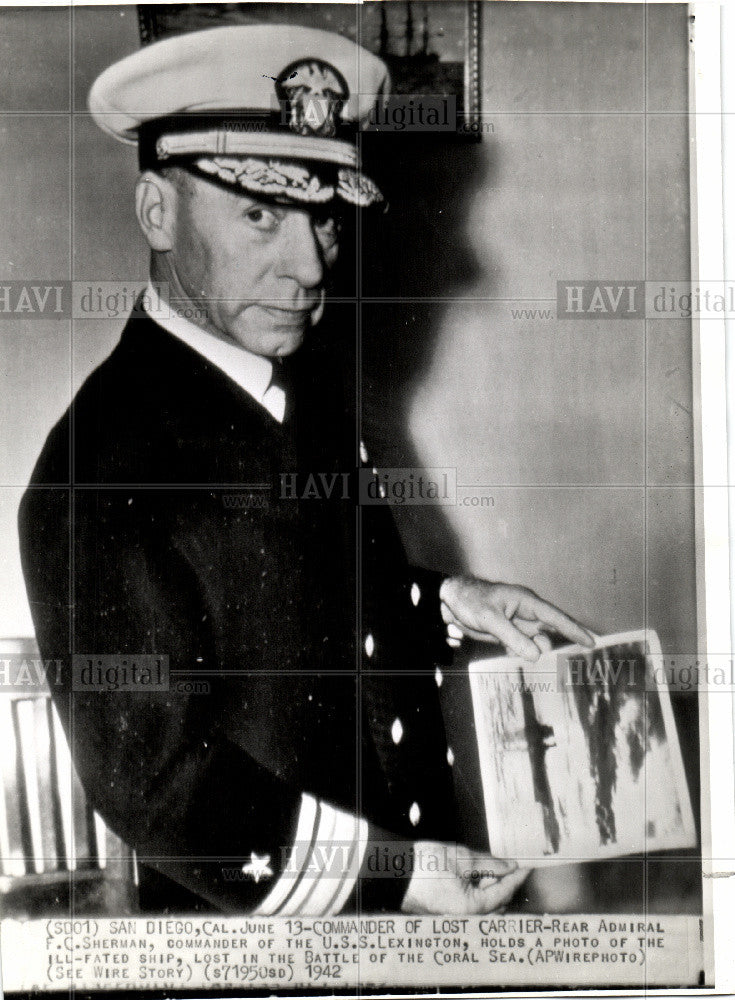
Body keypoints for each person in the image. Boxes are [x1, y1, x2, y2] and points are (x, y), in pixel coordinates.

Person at [18, 24, 592, 916]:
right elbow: (159, 785)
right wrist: (393, 876)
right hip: (251, 956)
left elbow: (302, 594)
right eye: (260, 214)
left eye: (323, 215)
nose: (309, 265)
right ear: (156, 213)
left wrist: (440, 600)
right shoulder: (99, 463)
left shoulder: (287, 385)